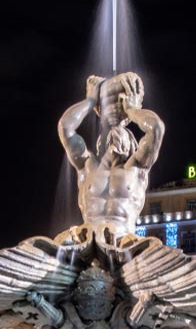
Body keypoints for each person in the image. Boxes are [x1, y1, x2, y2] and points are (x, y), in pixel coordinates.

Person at [58, 72, 164, 239]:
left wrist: (131, 110)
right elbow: (65, 127)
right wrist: (90, 101)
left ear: (132, 145)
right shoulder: (87, 166)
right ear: (100, 145)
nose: (115, 136)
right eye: (111, 134)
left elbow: (156, 128)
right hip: (87, 244)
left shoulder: (137, 169)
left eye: (123, 134)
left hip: (125, 243)